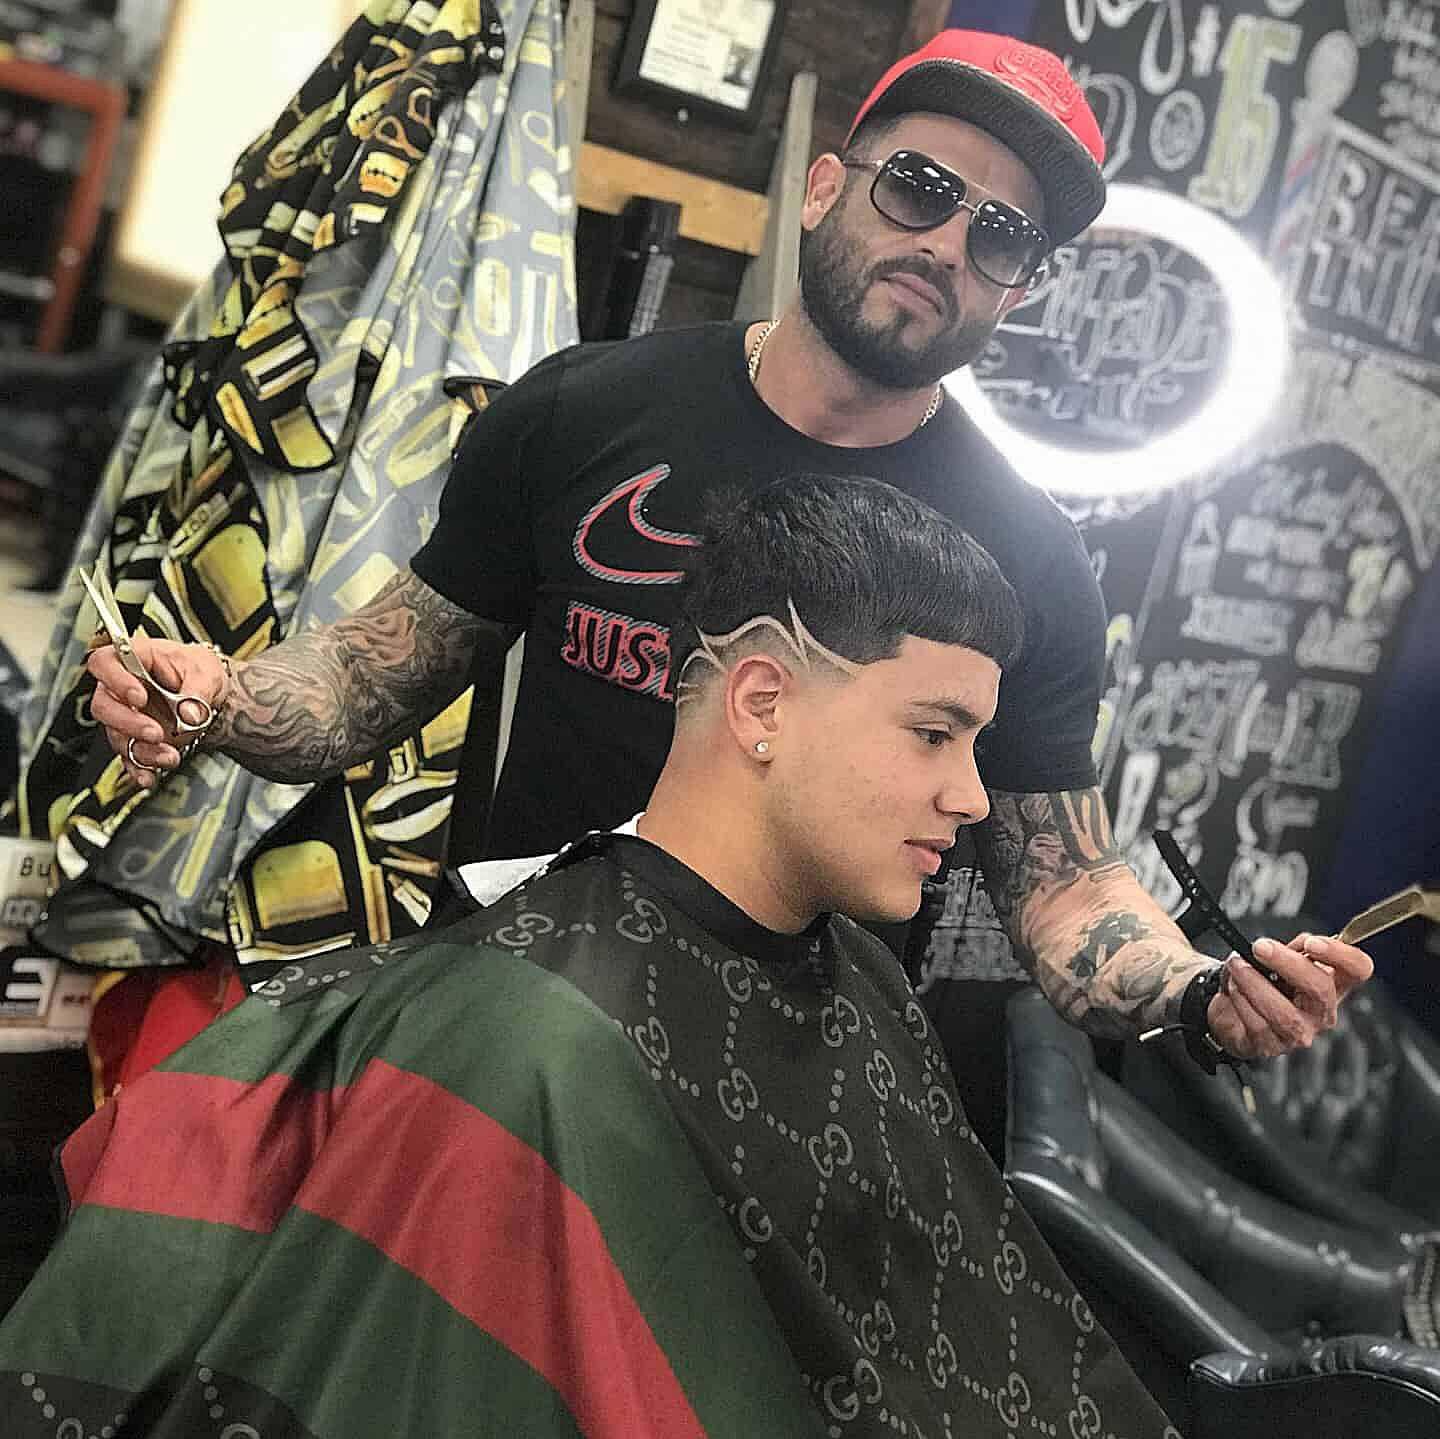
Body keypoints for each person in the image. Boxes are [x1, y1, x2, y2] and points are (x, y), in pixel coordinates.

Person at [87, 30, 1373, 1129]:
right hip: (509, 1023)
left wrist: (1199, 990)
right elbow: (372, 677)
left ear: (1020, 288)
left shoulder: (1027, 558)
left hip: (785, 1084)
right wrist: (216, 697)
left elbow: (1061, 878)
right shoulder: (581, 412)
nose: (946, 244)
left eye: (1001, 236)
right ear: (823, 188)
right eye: (920, 188)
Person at [4, 475, 1182, 1437]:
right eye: (934, 733)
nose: (972, 794)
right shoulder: (529, 1048)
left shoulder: (860, 976)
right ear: (760, 702)